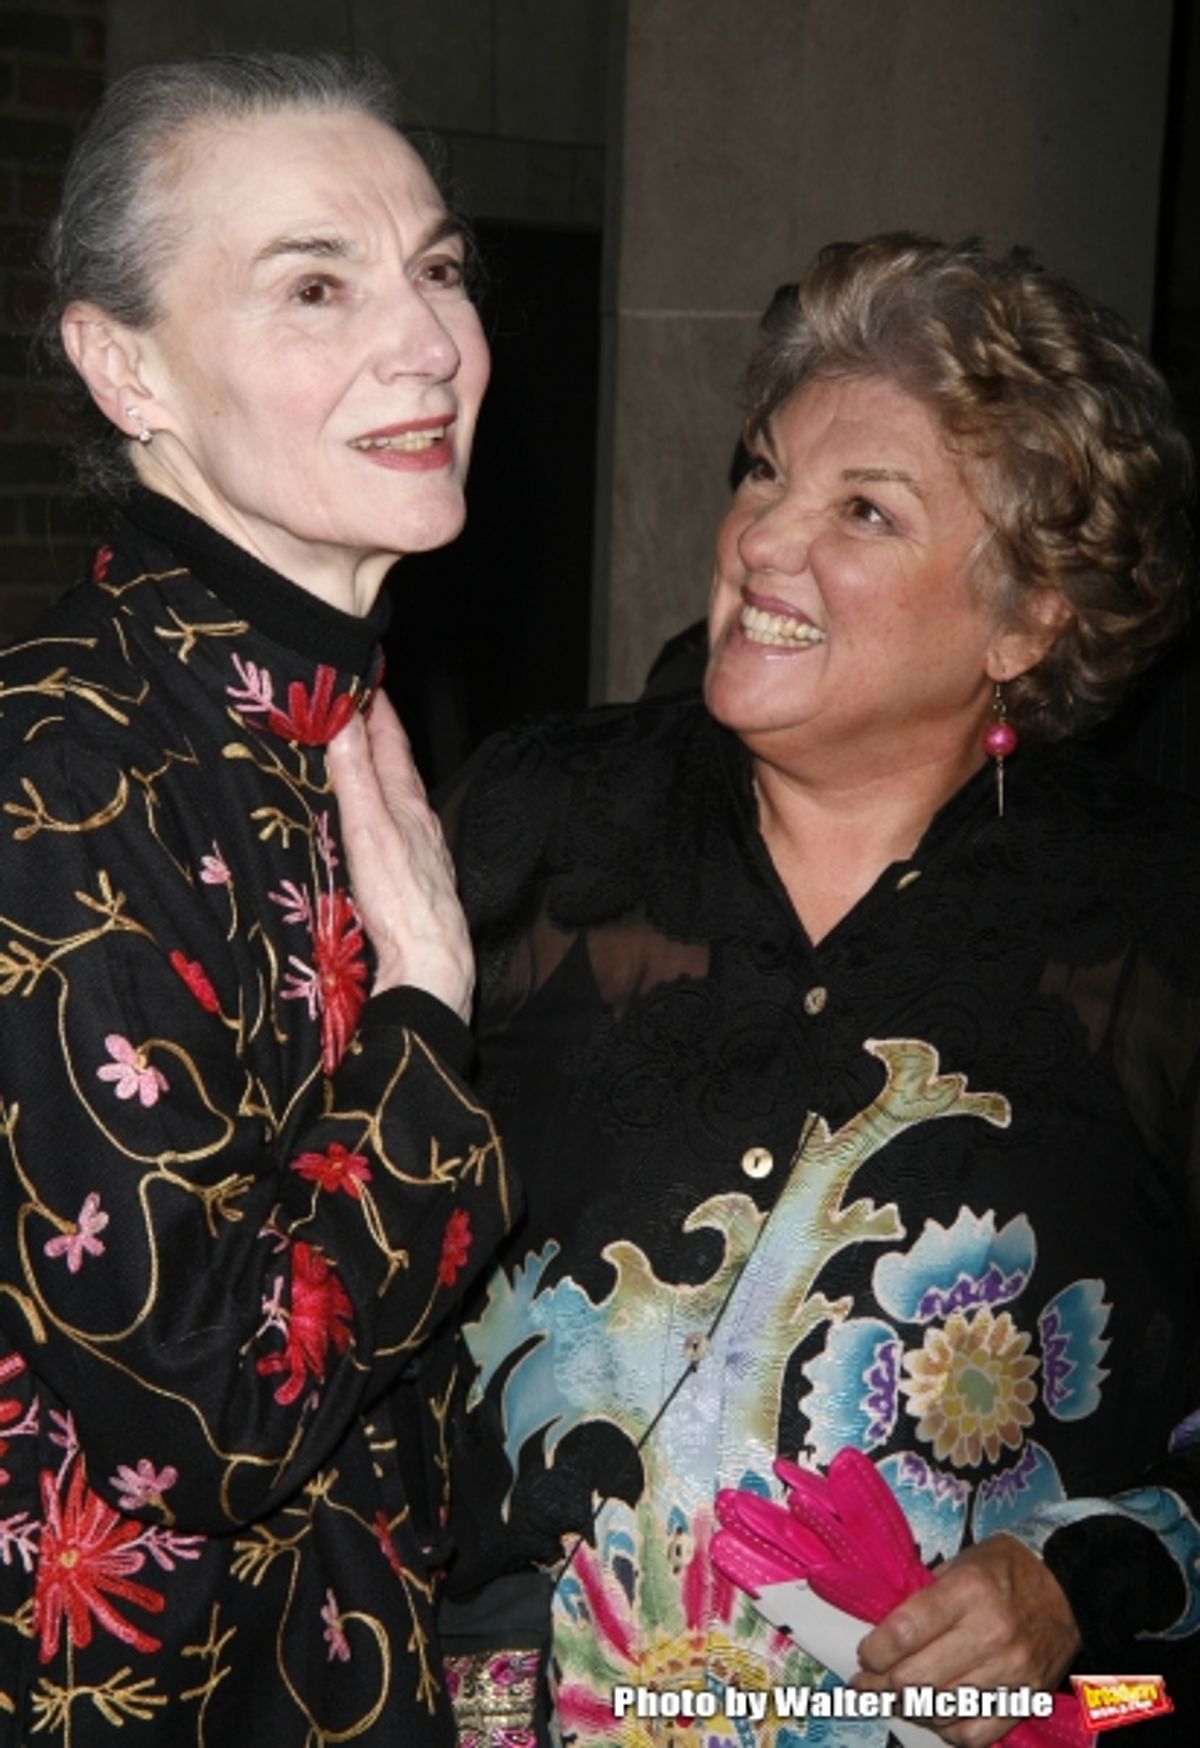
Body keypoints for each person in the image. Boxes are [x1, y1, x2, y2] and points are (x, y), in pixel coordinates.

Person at [441, 234, 1200, 1747]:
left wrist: (1081, 1584)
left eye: (862, 508)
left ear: (1026, 619)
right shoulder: (537, 828)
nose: (762, 536)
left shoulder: (1152, 925)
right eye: (765, 473)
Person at [0, 51, 512, 1747]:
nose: (427, 341)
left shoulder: (333, 725)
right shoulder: (56, 767)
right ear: (122, 366)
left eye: (439, 268)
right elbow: (201, 1413)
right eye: (317, 284)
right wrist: (430, 1010)